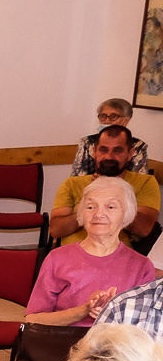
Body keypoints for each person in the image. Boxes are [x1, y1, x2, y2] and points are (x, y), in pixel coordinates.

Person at [27, 177, 155, 327]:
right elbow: (33, 319)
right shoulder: (57, 258)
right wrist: (83, 310)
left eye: (110, 207)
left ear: (126, 214)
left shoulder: (141, 266)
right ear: (82, 214)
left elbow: (147, 325)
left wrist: (112, 312)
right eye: (90, 207)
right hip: (64, 339)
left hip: (116, 341)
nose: (98, 214)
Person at [50, 124, 161, 247]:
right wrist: (90, 206)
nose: (109, 157)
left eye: (117, 150)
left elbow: (143, 229)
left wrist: (113, 192)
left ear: (130, 154)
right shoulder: (72, 183)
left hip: (118, 255)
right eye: (103, 150)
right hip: (73, 253)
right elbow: (56, 230)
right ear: (94, 152)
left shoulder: (146, 182)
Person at [71, 98, 150, 176]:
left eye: (113, 116)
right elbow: (77, 176)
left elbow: (138, 178)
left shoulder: (138, 145)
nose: (107, 121)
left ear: (126, 120)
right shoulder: (87, 142)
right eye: (103, 116)